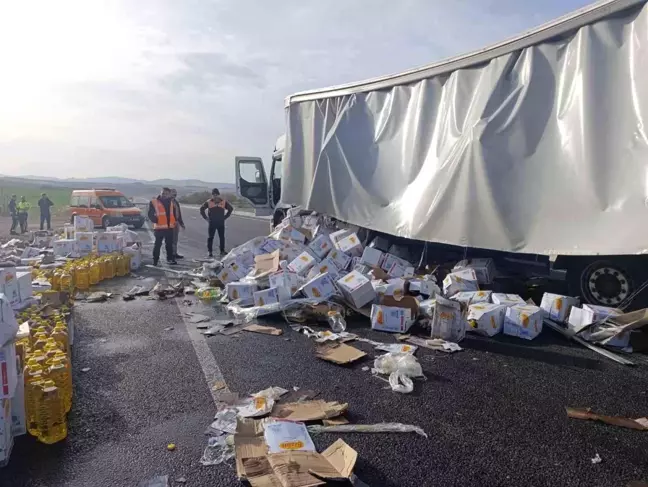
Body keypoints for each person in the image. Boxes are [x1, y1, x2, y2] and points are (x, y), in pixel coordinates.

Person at [147, 188, 178, 266]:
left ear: (169, 194)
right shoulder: (154, 202)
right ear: (160, 193)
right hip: (159, 228)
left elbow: (173, 213)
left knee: (169, 245)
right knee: (157, 245)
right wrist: (156, 220)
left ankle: (170, 259)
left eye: (166, 194)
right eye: (163, 193)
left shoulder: (171, 202)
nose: (164, 195)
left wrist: (174, 222)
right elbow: (150, 214)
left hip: (169, 227)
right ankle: (155, 260)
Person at [200, 188, 233, 258]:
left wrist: (225, 217)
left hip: (221, 222)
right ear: (212, 195)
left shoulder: (223, 202)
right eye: (214, 195)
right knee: (210, 237)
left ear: (218, 195)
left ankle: (222, 251)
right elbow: (201, 209)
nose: (215, 196)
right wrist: (206, 218)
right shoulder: (209, 202)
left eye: (216, 194)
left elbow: (231, 209)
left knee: (222, 237)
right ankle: (210, 251)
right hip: (212, 222)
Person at [170, 189, 185, 259]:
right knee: (171, 239)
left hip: (176, 223)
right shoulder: (168, 202)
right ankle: (171, 254)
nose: (174, 195)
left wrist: (181, 223)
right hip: (170, 224)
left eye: (175, 194)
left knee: (175, 239)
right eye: (173, 194)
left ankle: (174, 253)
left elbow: (179, 213)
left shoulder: (176, 202)